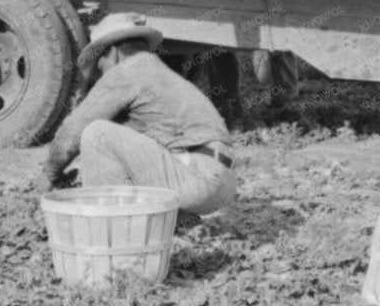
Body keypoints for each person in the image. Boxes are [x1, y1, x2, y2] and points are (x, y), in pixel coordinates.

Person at [37, 13, 238, 217]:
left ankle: (110, 225)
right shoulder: (156, 72)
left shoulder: (127, 70)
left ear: (112, 53)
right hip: (219, 182)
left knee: (97, 133)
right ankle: (168, 223)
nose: (102, 76)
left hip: (198, 179)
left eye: (100, 67)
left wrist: (50, 173)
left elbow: (74, 129)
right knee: (118, 143)